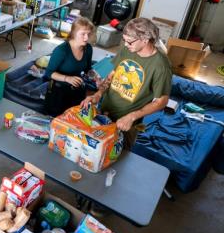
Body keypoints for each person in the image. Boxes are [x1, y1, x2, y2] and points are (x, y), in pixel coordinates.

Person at [81, 17, 172, 149]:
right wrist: (99, 94)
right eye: (124, 40)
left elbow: (162, 101)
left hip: (126, 123)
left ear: (145, 40)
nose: (125, 45)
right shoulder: (128, 49)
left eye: (129, 42)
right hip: (104, 111)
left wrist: (132, 116)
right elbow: (113, 73)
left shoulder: (161, 66)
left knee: (117, 156)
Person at [44, 17, 95, 116]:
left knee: (75, 119)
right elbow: (49, 73)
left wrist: (96, 77)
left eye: (88, 34)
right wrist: (67, 78)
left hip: (77, 89)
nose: (86, 38)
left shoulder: (88, 49)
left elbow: (88, 69)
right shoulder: (61, 50)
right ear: (74, 33)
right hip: (58, 91)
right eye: (83, 34)